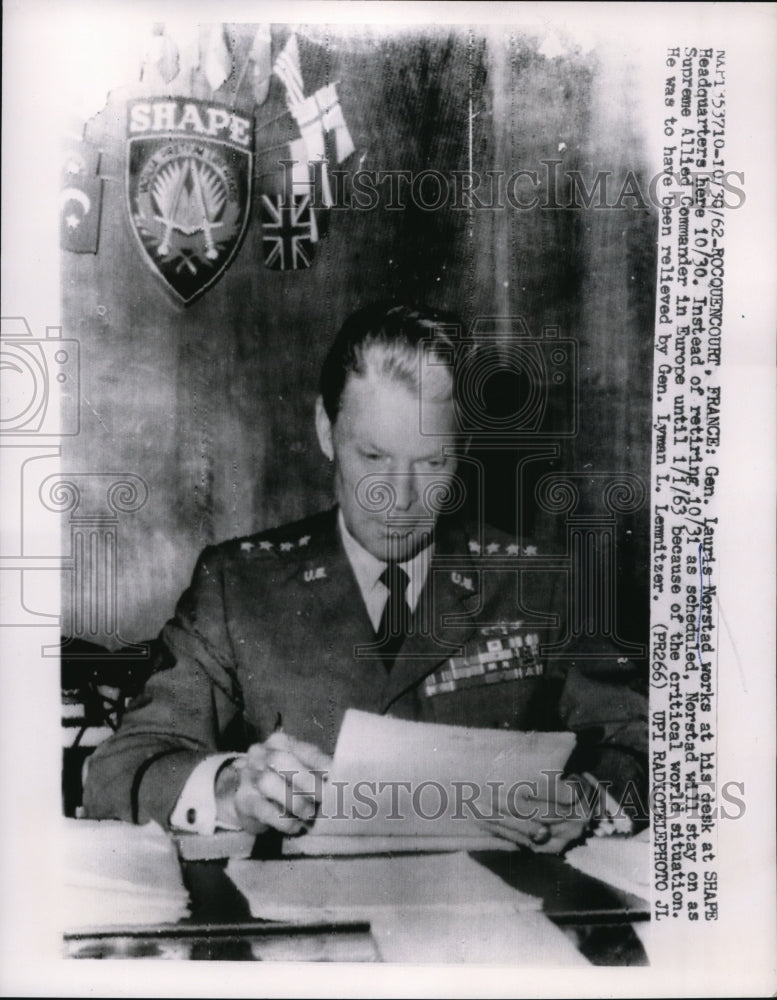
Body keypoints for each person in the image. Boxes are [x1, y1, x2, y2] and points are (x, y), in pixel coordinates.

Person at [84, 302, 648, 853]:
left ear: (465, 449)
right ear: (327, 431)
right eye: (374, 457)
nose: (399, 499)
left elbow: (649, 748)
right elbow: (120, 770)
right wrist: (231, 787)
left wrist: (587, 798)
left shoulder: (536, 581)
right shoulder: (239, 586)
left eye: (432, 463)